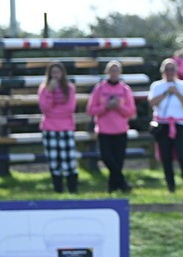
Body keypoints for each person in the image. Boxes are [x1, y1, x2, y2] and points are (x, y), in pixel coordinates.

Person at [85, 60, 137, 193]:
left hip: (120, 130)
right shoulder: (100, 89)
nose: (114, 73)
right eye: (111, 71)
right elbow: (91, 110)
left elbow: (131, 111)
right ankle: (123, 184)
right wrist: (106, 107)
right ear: (107, 72)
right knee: (107, 158)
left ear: (120, 73)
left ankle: (112, 188)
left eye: (116, 71)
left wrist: (119, 106)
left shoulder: (125, 90)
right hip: (104, 130)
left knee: (118, 161)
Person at [149, 58, 183, 193]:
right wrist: (165, 93)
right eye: (167, 69)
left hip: (179, 125)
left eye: (172, 69)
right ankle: (171, 187)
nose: (169, 72)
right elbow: (152, 103)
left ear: (176, 71)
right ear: (162, 71)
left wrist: (177, 93)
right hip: (163, 125)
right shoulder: (157, 86)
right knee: (166, 157)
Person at [37, 61, 79, 194]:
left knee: (69, 159)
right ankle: (58, 191)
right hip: (49, 128)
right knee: (54, 160)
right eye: (53, 72)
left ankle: (73, 190)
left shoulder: (70, 88)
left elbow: (70, 108)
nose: (55, 75)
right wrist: (49, 91)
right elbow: (45, 108)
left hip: (66, 127)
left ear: (63, 73)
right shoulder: (44, 89)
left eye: (58, 72)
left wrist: (55, 111)